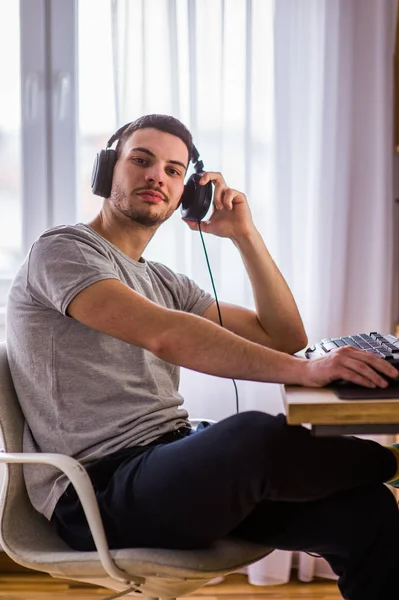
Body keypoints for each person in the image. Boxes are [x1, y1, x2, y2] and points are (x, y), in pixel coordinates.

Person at [5, 114, 399, 600]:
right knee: (253, 435)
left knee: (369, 513)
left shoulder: (165, 280)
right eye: (141, 160)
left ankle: (380, 471)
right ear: (107, 170)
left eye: (174, 170)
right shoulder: (63, 249)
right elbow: (165, 334)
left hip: (171, 466)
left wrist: (244, 236)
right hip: (99, 492)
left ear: (186, 193)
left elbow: (283, 335)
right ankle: (390, 461)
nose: (157, 176)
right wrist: (307, 370)